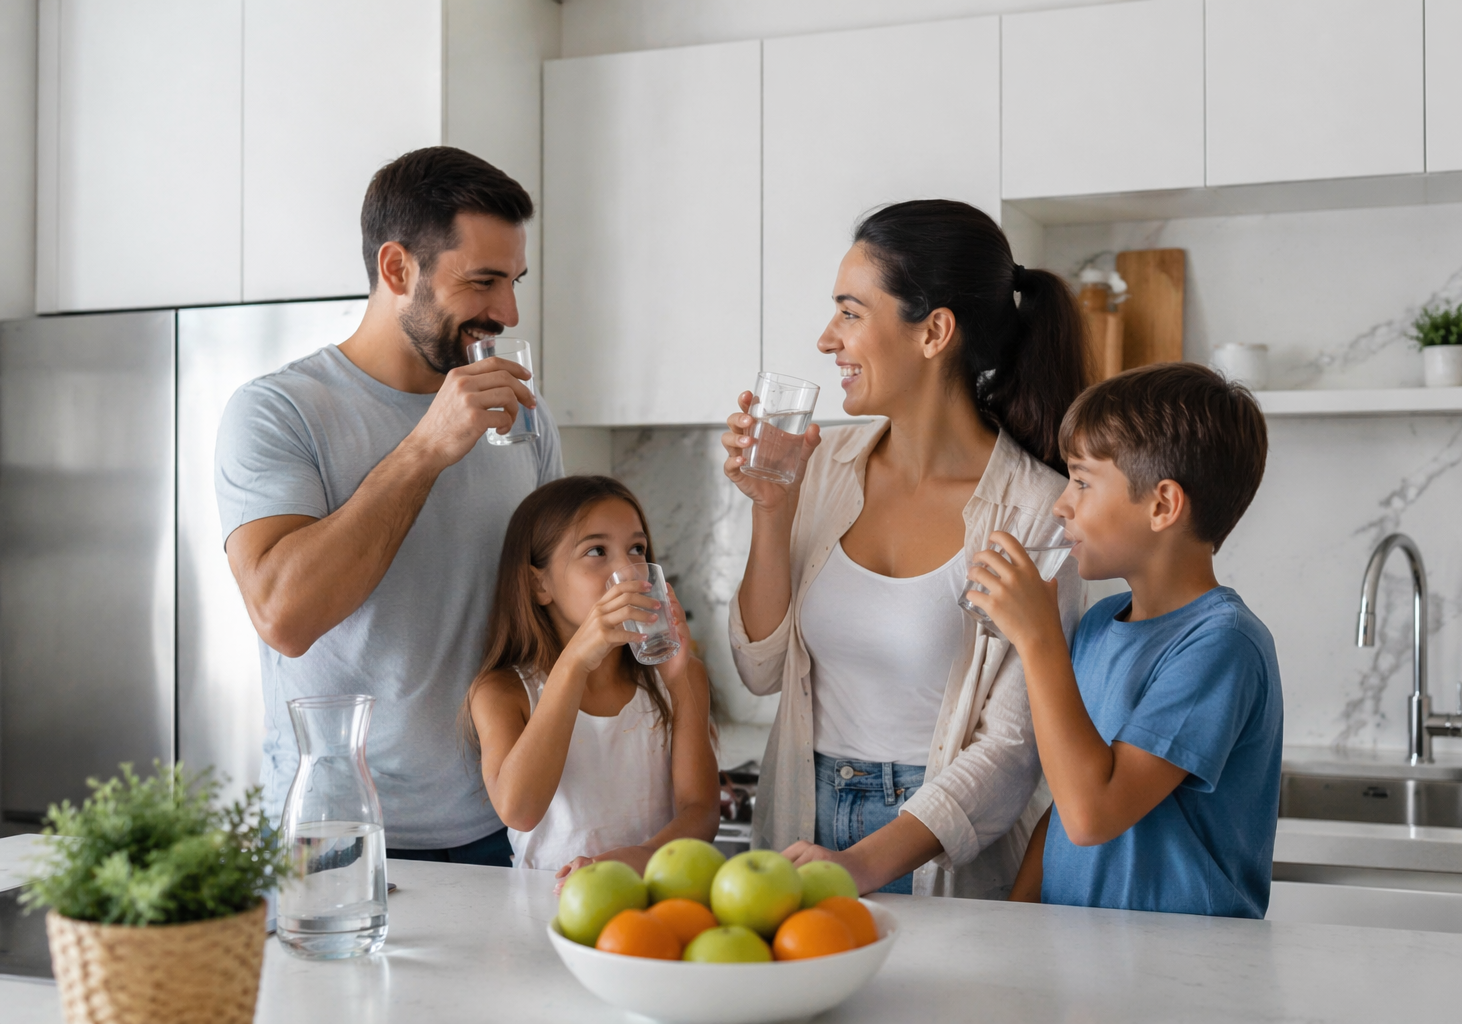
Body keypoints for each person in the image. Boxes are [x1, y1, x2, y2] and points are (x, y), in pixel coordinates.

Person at [722, 199, 1089, 898]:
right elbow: (758, 668)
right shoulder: (820, 465)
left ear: (934, 332)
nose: (828, 338)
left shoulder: (1038, 510)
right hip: (804, 812)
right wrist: (772, 510)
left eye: (851, 312)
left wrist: (863, 863)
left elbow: (1012, 750)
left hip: (942, 845)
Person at [217, 147, 562, 865]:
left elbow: (548, 611)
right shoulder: (278, 412)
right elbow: (285, 615)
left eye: (514, 281)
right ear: (398, 269)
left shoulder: (524, 418)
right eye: (484, 281)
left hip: (499, 830)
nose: (507, 311)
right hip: (332, 839)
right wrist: (426, 447)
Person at [970, 363, 1282, 918]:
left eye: (1083, 482)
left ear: (1163, 505)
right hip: (1082, 960)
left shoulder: (1222, 645)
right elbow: (1067, 800)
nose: (1061, 504)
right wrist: (1014, 925)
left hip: (1178, 978)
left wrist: (1038, 637)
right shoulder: (1101, 623)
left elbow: (1093, 815)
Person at [464, 477, 717, 882]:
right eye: (596, 551)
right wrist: (576, 661)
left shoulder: (678, 676)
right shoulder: (503, 692)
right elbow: (520, 810)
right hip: (547, 911)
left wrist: (642, 857)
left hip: (659, 900)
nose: (628, 570)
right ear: (538, 583)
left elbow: (702, 812)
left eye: (637, 549)